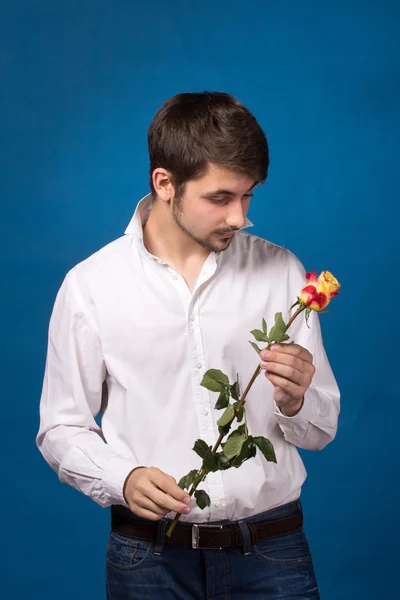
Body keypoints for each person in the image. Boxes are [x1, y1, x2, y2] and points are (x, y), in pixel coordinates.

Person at [36, 91, 340, 599]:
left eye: (248, 197)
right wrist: (123, 477)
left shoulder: (281, 273)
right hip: (149, 560)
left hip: (272, 550)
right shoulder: (90, 287)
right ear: (165, 183)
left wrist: (297, 400)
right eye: (221, 198)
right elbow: (60, 426)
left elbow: (321, 428)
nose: (240, 217)